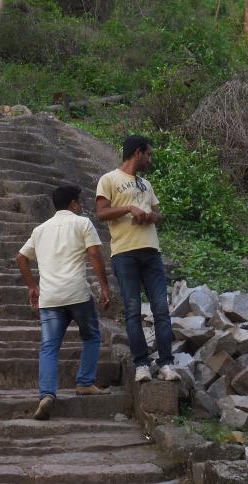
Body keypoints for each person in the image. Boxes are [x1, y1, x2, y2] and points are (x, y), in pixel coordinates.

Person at [16, 185, 112, 421]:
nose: (81, 206)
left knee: (49, 347)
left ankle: (47, 395)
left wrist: (32, 286)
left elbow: (21, 257)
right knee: (91, 336)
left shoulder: (40, 230)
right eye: (79, 202)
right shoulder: (82, 223)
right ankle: (84, 382)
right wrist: (105, 286)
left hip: (49, 298)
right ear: (73, 204)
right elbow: (94, 254)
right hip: (77, 293)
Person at [95, 135, 180, 383]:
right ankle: (141, 364)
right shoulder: (109, 179)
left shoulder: (146, 184)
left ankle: (166, 364)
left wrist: (152, 217)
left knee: (161, 310)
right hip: (124, 253)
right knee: (133, 311)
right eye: (148, 154)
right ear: (137, 153)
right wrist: (129, 209)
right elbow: (101, 213)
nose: (150, 159)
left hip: (151, 252)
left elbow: (158, 213)